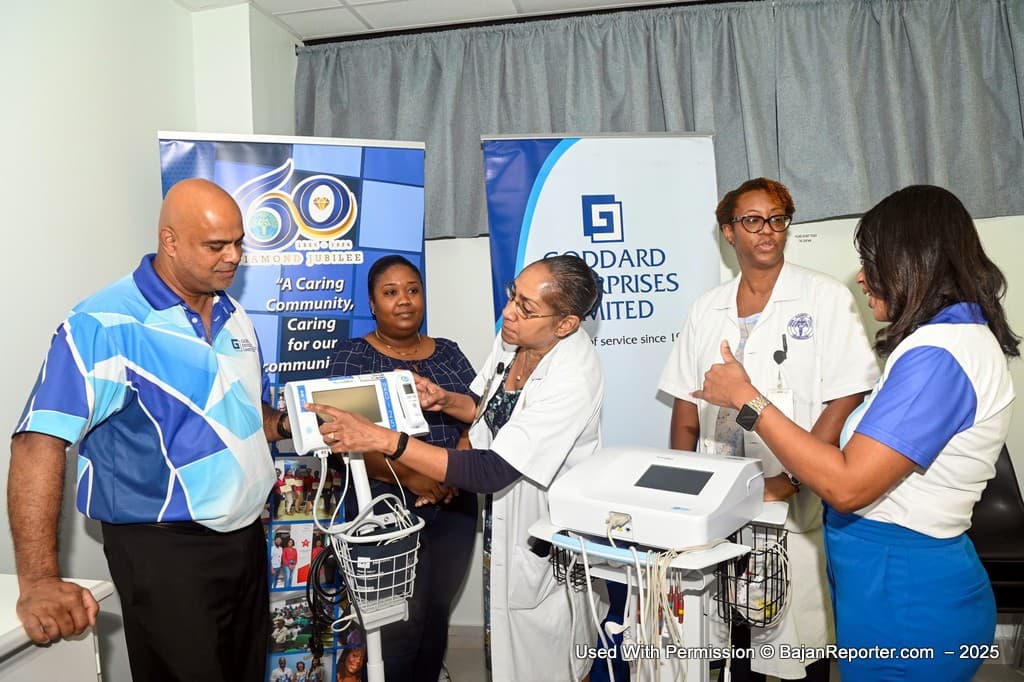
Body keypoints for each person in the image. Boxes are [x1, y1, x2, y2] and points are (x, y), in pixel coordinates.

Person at [695, 184, 1017, 681]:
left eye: (870, 260)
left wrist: (747, 399)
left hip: (905, 597)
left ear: (912, 261)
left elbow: (848, 485)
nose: (862, 277)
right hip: (886, 586)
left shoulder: (941, 355)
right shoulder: (942, 344)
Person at [8, 178, 292, 681]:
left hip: (246, 542)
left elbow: (245, 415)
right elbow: (38, 442)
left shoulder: (234, 315)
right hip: (165, 552)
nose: (233, 257)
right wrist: (39, 580)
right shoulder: (103, 323)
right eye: (216, 245)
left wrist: (291, 424)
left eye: (238, 243)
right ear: (170, 241)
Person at [312, 254, 605, 682]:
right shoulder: (515, 338)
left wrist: (388, 441)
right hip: (477, 516)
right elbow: (487, 408)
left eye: (525, 307)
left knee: (550, 650)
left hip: (541, 521)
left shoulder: (573, 376)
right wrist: (445, 400)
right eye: (512, 296)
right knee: (421, 632)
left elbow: (492, 470)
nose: (508, 312)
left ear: (565, 324)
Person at [659, 177, 878, 681]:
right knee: (731, 633)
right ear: (728, 232)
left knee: (800, 633)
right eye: (753, 220)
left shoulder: (823, 296)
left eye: (777, 219)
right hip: (718, 493)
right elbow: (686, 405)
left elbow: (848, 395)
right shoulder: (706, 308)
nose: (767, 230)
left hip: (793, 496)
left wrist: (795, 478)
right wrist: (683, 486)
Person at [325, 254, 478, 682]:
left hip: (454, 502)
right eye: (390, 292)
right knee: (396, 625)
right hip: (383, 506)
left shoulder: (449, 353)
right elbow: (340, 437)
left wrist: (456, 465)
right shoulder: (353, 357)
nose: (405, 300)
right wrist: (412, 476)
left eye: (413, 290)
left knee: (434, 615)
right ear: (372, 304)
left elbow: (480, 411)